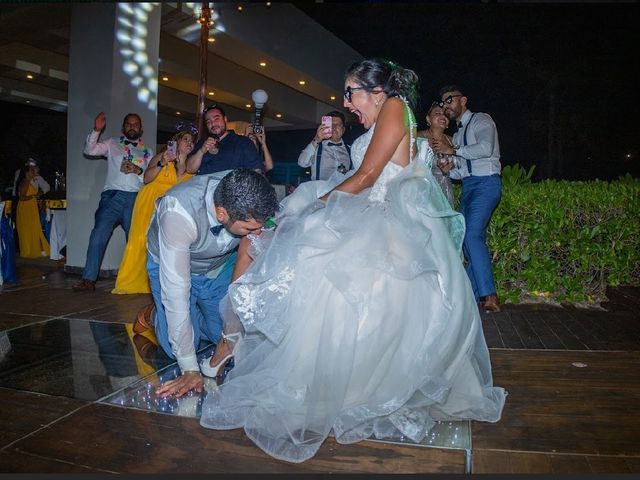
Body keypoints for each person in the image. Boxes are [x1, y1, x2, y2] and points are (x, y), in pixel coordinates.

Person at [199, 58, 506, 463]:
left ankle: (333, 384)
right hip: (375, 216)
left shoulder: (395, 106)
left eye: (351, 92)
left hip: (385, 225)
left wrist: (316, 207)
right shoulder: (391, 113)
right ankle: (263, 353)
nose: (346, 103)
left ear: (375, 91)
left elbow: (366, 176)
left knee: (343, 289)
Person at [136, 169, 278, 398]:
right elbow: (176, 293)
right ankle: (154, 314)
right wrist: (189, 369)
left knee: (221, 337)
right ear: (221, 213)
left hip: (217, 268)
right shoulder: (178, 213)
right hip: (170, 266)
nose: (258, 233)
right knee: (177, 351)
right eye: (251, 229)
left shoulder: (247, 190)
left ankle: (191, 317)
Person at [431, 85, 502, 312]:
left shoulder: (482, 120)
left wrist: (453, 151)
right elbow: (461, 171)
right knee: (468, 240)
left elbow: (485, 148)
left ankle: (489, 296)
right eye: (442, 102)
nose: (446, 105)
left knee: (472, 236)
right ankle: (471, 295)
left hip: (486, 183)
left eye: (449, 99)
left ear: (463, 100)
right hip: (470, 186)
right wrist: (447, 170)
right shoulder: (459, 133)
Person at [72, 112, 152, 292]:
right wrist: (96, 131)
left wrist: (138, 170)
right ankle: (88, 279)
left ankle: (139, 280)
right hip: (112, 198)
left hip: (135, 198)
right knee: (98, 235)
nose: (132, 127)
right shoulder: (111, 143)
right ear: (123, 128)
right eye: (129, 124)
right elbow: (89, 150)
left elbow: (149, 179)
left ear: (141, 128)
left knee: (136, 241)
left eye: (136, 124)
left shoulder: (148, 151)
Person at [111, 129, 195, 295]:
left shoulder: (192, 166)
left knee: (165, 246)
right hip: (150, 202)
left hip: (170, 207)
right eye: (185, 139)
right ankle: (131, 283)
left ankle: (159, 283)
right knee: (141, 241)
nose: (189, 143)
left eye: (192, 141)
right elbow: (146, 178)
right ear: (176, 142)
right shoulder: (162, 156)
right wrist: (161, 163)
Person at [186, 105, 264, 175]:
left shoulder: (242, 142)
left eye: (216, 119)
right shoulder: (202, 143)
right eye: (208, 122)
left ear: (225, 119)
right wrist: (201, 151)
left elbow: (257, 170)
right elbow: (189, 169)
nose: (213, 124)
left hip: (230, 188)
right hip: (202, 187)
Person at [418, 102, 456, 207]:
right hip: (424, 190)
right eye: (437, 113)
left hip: (446, 189)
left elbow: (462, 167)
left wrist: (451, 169)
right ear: (428, 119)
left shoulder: (452, 141)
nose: (442, 116)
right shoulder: (419, 137)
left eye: (445, 114)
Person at [297, 111, 352, 181]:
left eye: (338, 125)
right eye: (331, 125)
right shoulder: (316, 147)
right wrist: (316, 139)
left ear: (343, 129)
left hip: (342, 191)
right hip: (321, 191)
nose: (334, 128)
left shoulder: (351, 150)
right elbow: (302, 163)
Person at [16, 161, 50, 258]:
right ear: (27, 173)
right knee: (27, 229)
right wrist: (33, 197)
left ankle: (37, 249)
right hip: (25, 208)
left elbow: (44, 188)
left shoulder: (32, 180)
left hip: (31, 207)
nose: (33, 172)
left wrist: (36, 195)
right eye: (31, 171)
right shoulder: (25, 182)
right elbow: (22, 197)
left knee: (35, 228)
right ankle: (28, 251)